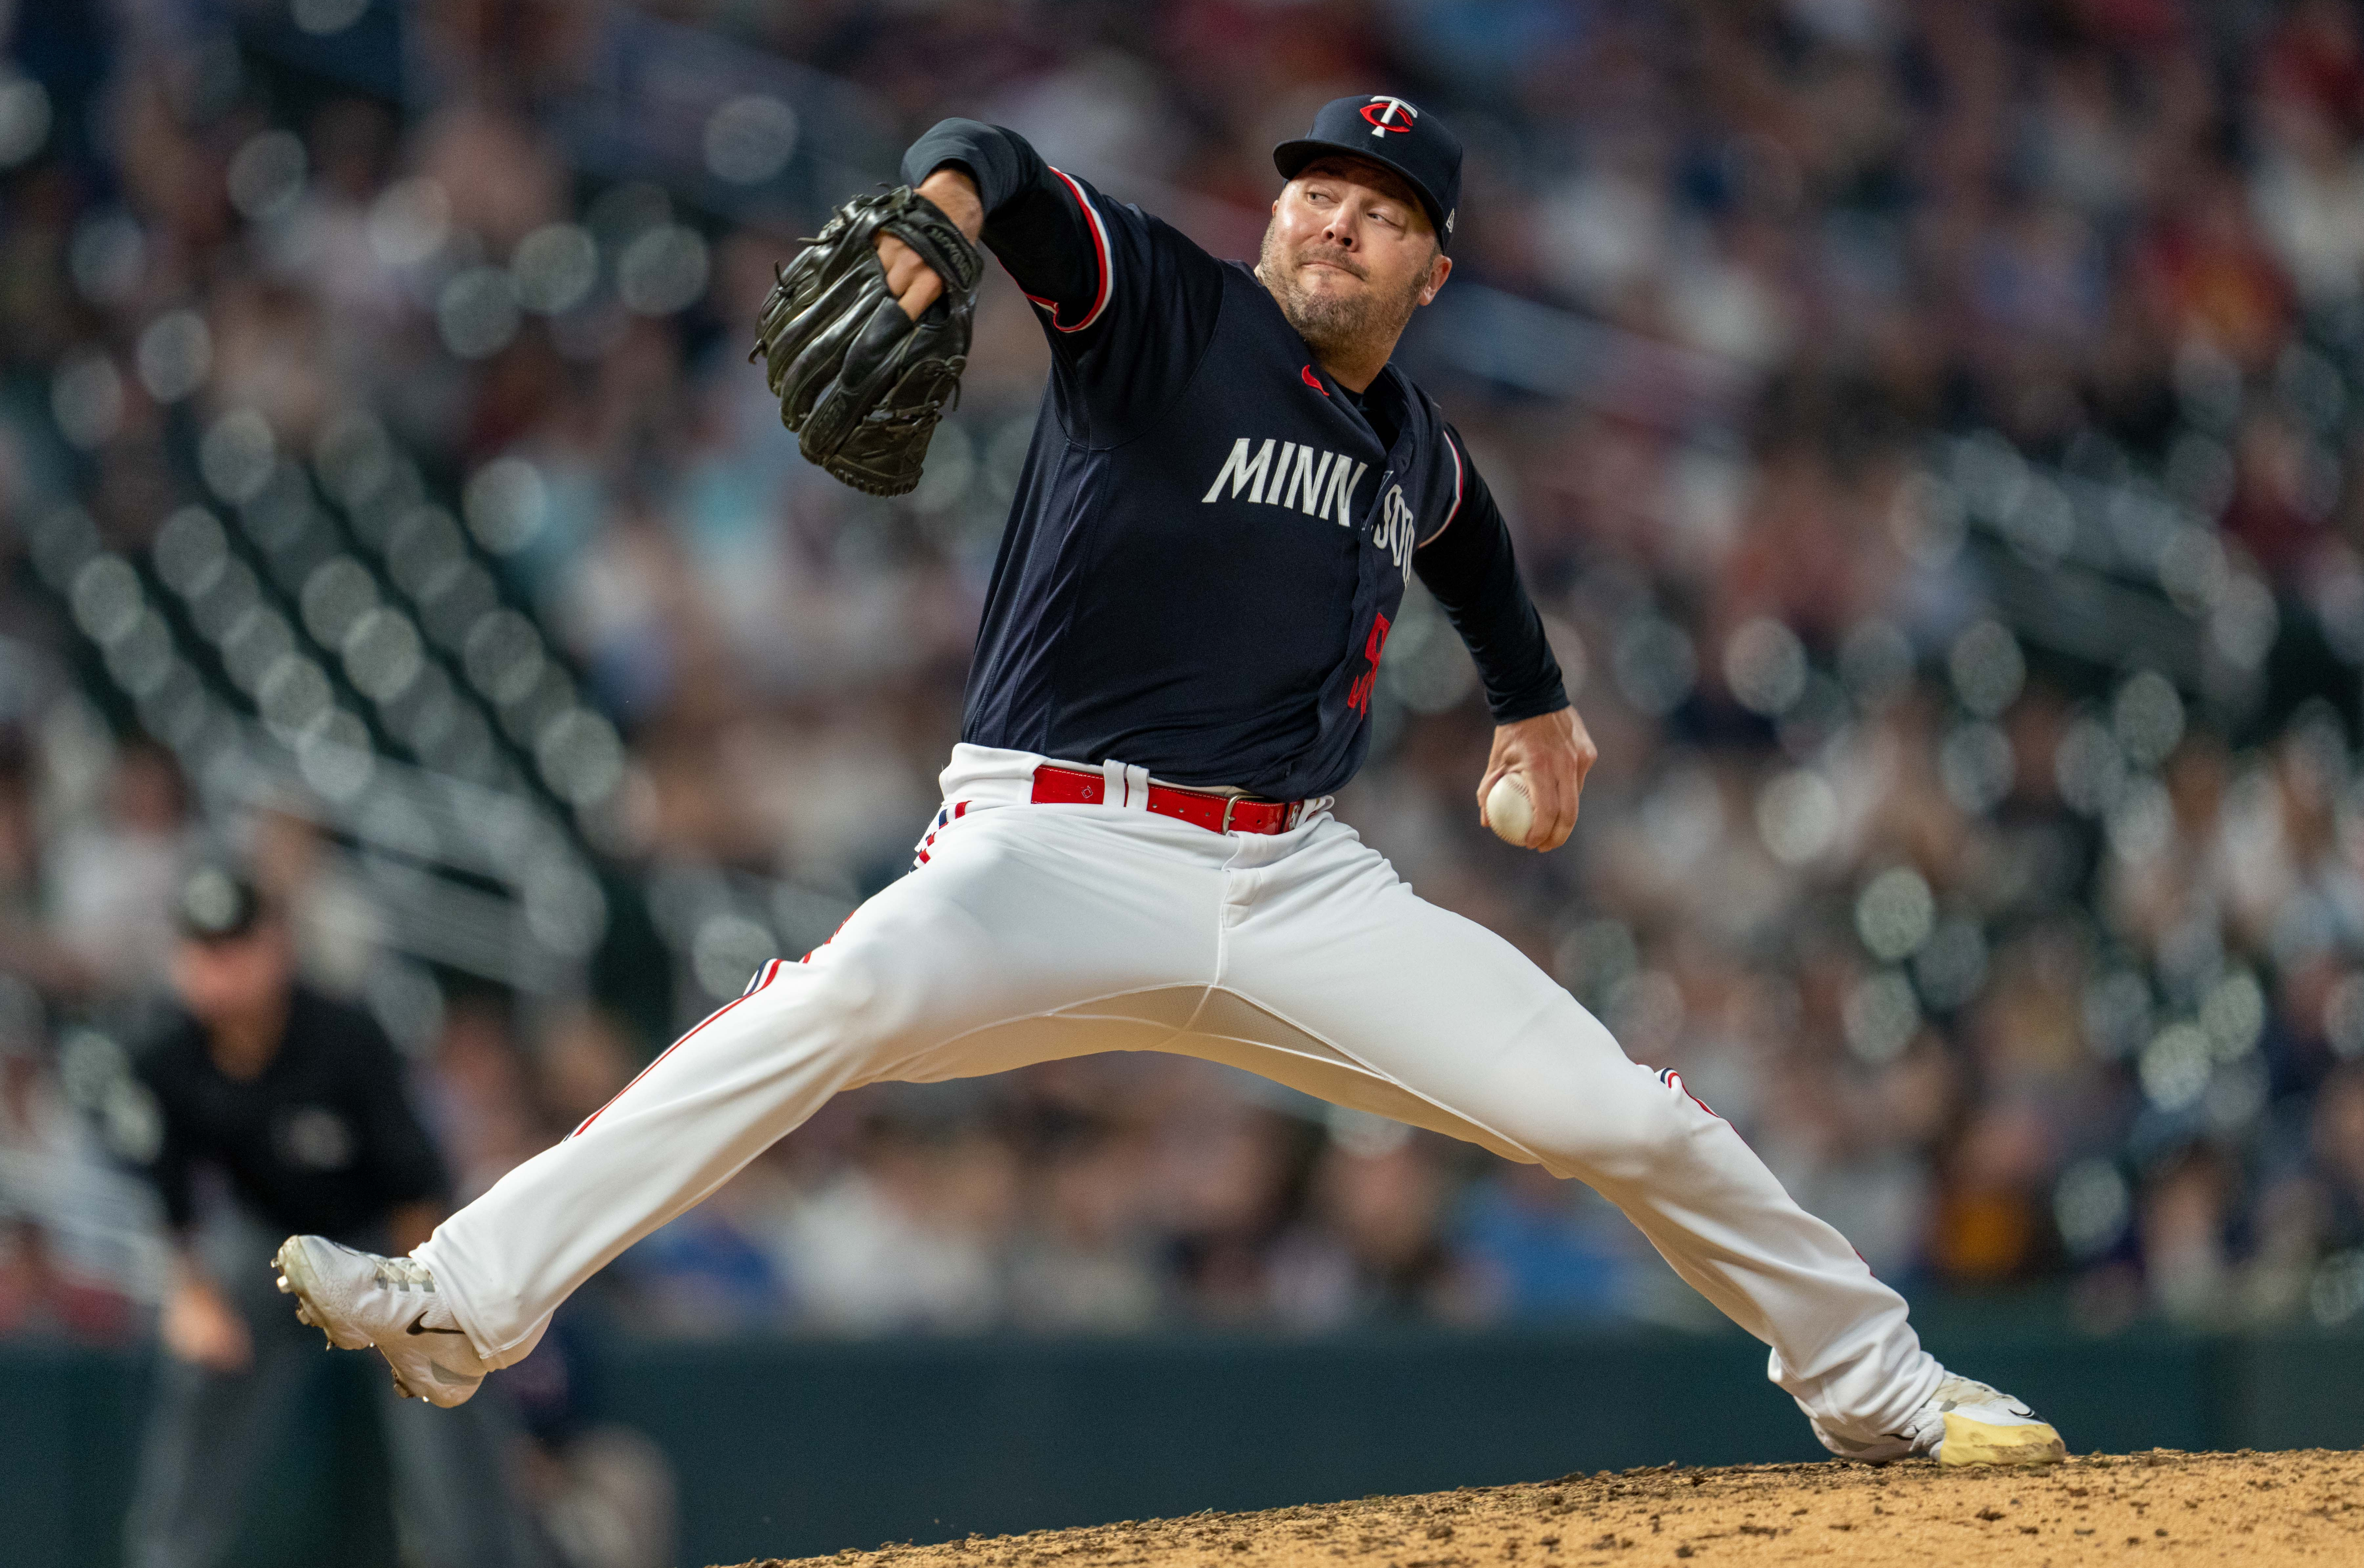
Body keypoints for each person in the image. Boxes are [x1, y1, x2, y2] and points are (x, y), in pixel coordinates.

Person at [277, 96, 2065, 1469]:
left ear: (1430, 275)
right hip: (1052, 844)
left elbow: (1465, 532)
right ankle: (465, 1300)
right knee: (838, 996)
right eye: (1316, 192)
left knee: (1618, 1114)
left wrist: (1535, 702)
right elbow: (1002, 160)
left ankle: (1871, 1386)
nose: (1333, 222)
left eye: (1380, 217)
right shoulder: (1168, 313)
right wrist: (941, 216)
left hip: (1294, 886)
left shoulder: (1408, 437)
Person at [124, 864, 529, 1568]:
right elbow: (172, 1196)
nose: (220, 967)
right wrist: (192, 1294)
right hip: (268, 1243)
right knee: (202, 1361)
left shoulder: (344, 1036)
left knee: (441, 1371)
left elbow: (415, 1185)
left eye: (235, 945)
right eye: (204, 949)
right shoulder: (168, 1055)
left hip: (381, 1240)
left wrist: (422, 1307)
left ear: (274, 948)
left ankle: (475, 1556)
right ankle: (168, 1558)